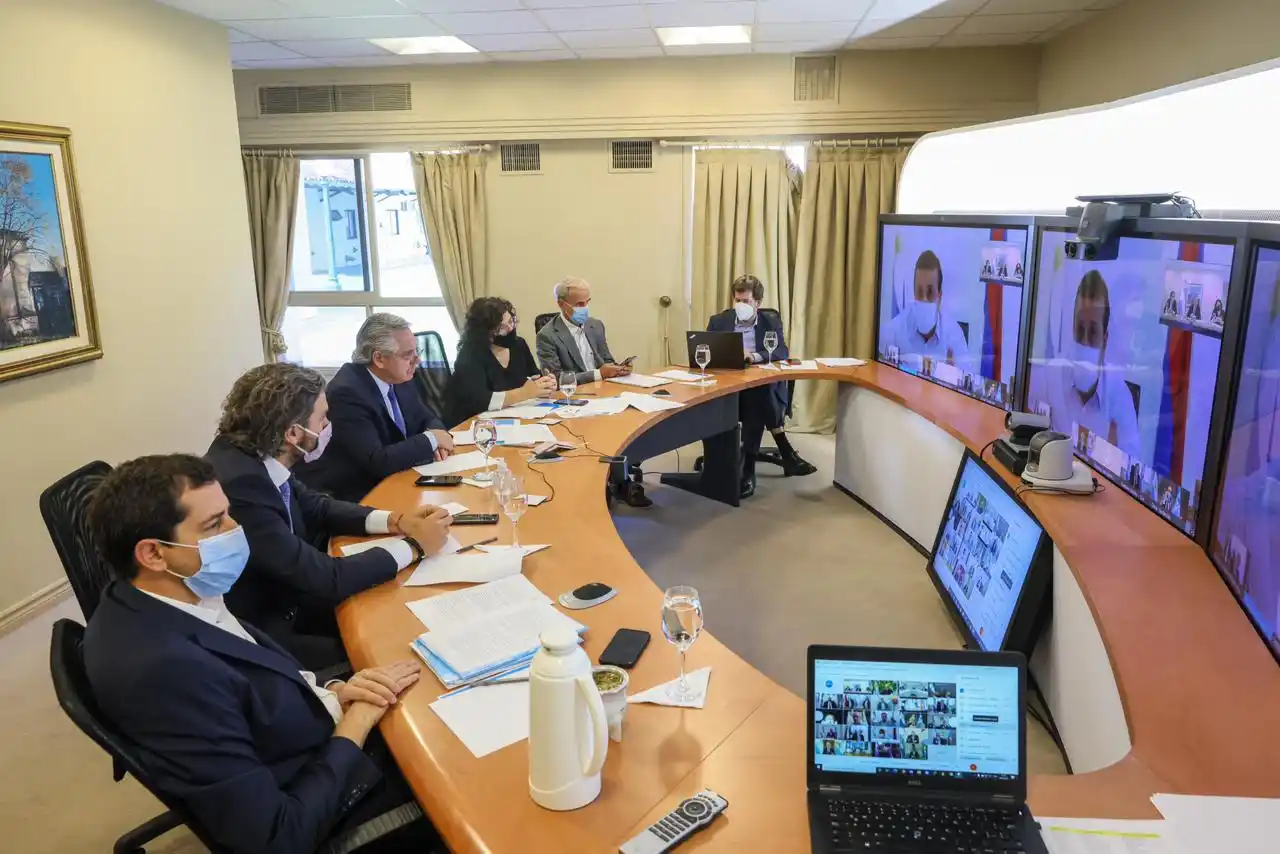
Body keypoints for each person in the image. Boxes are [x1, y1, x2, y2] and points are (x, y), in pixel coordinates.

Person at [83, 454, 441, 854]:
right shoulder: (164, 671)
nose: (237, 530)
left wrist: (336, 691)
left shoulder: (170, 592)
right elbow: (277, 839)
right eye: (215, 524)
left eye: (229, 514)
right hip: (325, 793)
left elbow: (257, 679)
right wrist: (355, 724)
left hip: (310, 728)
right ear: (152, 554)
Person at [206, 363, 453, 670]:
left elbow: (317, 506)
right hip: (272, 629)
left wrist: (397, 521)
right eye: (322, 418)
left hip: (295, 596)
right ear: (294, 433)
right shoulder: (242, 485)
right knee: (399, 646)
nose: (327, 426)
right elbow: (325, 577)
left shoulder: (251, 454)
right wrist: (415, 547)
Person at [298, 313, 453, 502]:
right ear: (379, 358)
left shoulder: (399, 377)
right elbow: (377, 461)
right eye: (407, 355)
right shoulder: (347, 393)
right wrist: (432, 439)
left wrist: (436, 435)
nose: (417, 360)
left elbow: (426, 417)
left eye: (416, 351)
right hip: (361, 494)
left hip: (402, 478)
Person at [707, 274, 816, 497]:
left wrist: (754, 357)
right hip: (729, 386)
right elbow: (706, 350)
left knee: (758, 393)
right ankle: (783, 452)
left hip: (758, 384)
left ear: (758, 303)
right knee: (759, 398)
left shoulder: (769, 322)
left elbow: (780, 352)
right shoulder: (719, 321)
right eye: (737, 300)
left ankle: (748, 470)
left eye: (746, 301)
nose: (740, 306)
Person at [1048, 270, 1141, 455]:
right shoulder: (1051, 379)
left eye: (1093, 332)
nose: (1083, 341)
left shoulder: (1120, 398)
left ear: (1105, 340)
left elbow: (1128, 471)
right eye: (1079, 329)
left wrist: (1113, 458)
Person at [443, 297, 556, 426]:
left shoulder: (518, 344)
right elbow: (479, 400)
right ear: (485, 332)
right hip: (474, 424)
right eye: (501, 327)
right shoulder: (470, 355)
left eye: (511, 321)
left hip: (514, 416)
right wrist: (524, 393)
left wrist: (545, 383)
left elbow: (533, 375)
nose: (510, 328)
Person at [881, 250, 970, 370]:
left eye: (930, 292)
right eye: (919, 291)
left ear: (939, 297)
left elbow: (966, 379)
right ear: (913, 293)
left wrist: (953, 377)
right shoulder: (894, 332)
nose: (924, 299)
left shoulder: (954, 336)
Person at [536, 277, 633, 386]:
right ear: (561, 304)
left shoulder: (596, 325)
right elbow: (555, 380)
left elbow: (607, 360)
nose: (585, 308)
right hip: (574, 394)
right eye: (579, 304)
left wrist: (619, 369)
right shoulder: (547, 336)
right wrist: (599, 374)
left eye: (587, 302)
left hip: (603, 387)